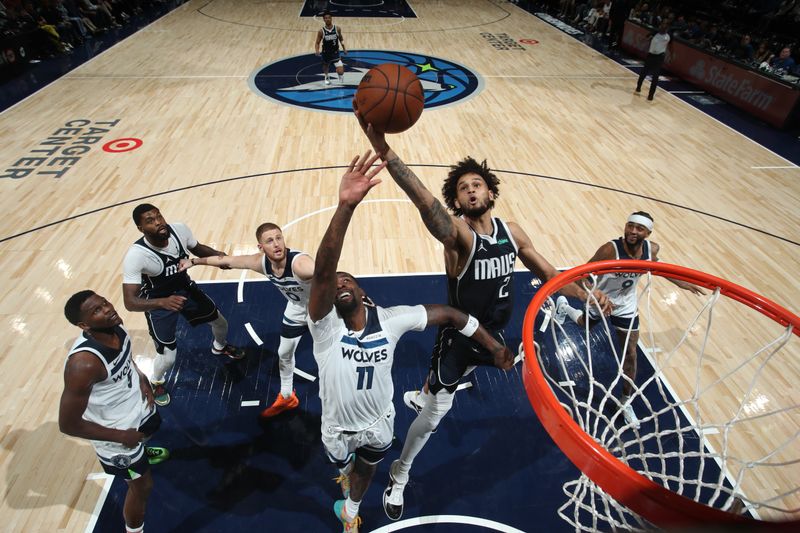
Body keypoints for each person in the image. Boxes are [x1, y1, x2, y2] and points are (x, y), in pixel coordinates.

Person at [353, 102, 612, 521]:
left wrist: (587, 295)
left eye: (477, 185)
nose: (471, 191)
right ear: (455, 202)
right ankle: (401, 472)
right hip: (459, 336)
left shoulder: (513, 232)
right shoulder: (458, 237)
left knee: (460, 381)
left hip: (496, 331)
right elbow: (423, 201)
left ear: (490, 191)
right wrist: (383, 148)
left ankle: (422, 393)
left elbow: (548, 271)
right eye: (462, 189)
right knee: (438, 412)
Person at [307, 151, 513, 532]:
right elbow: (322, 273)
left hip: (380, 424)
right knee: (342, 468)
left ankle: (351, 512)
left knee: (367, 469)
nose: (340, 283)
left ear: (364, 293)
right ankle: (346, 482)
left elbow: (454, 315)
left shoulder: (391, 319)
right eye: (336, 283)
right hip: (335, 429)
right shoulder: (325, 328)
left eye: (348, 279)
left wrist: (494, 345)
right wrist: (346, 207)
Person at [557, 211, 706, 428]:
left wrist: (682, 282)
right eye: (630, 226)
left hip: (626, 306)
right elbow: (582, 276)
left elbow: (660, 268)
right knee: (584, 325)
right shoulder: (610, 249)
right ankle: (564, 307)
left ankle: (625, 401)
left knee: (631, 354)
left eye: (639, 228)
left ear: (648, 232)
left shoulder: (650, 250)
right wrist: (593, 294)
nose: (633, 231)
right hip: (601, 299)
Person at [59, 290, 169, 533]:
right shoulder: (83, 364)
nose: (107, 309)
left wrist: (141, 378)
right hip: (115, 435)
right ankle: (134, 530)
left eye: (104, 303)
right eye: (96, 311)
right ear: (84, 325)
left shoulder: (116, 328)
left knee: (151, 430)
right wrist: (121, 437)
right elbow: (68, 424)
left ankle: (142, 451)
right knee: (142, 487)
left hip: (137, 407)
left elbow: (126, 359)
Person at [179, 222, 313, 419]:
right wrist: (194, 262)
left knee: (335, 354)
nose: (276, 244)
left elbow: (330, 276)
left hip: (323, 311)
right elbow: (227, 260)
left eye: (279, 238)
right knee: (284, 352)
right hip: (297, 309)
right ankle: (286, 396)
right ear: (261, 247)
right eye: (270, 241)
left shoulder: (300, 264)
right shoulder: (261, 263)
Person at [122, 204, 245, 407]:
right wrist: (162, 302)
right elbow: (130, 302)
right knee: (168, 357)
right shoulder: (136, 256)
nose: (158, 222)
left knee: (220, 323)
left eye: (159, 216)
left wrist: (217, 255)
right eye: (150, 221)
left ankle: (220, 347)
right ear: (140, 228)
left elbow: (197, 248)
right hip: (158, 302)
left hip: (185, 289)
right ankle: (157, 381)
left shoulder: (179, 229)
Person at [636, 20, 671, 101]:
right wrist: (645, 39)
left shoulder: (669, 36)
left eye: (665, 26)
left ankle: (651, 95)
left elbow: (671, 46)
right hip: (651, 56)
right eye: (662, 25)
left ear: (667, 28)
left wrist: (670, 57)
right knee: (644, 72)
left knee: (655, 76)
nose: (663, 27)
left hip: (659, 57)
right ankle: (638, 86)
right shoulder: (654, 32)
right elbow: (644, 39)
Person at [314, 10, 346, 85]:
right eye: (325, 18)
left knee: (341, 71)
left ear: (331, 18)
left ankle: (339, 75)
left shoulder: (337, 28)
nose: (327, 19)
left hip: (335, 52)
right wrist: (317, 50)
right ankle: (326, 76)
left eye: (329, 18)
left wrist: (344, 48)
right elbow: (317, 42)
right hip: (326, 53)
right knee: (325, 66)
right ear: (323, 19)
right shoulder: (321, 31)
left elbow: (341, 39)